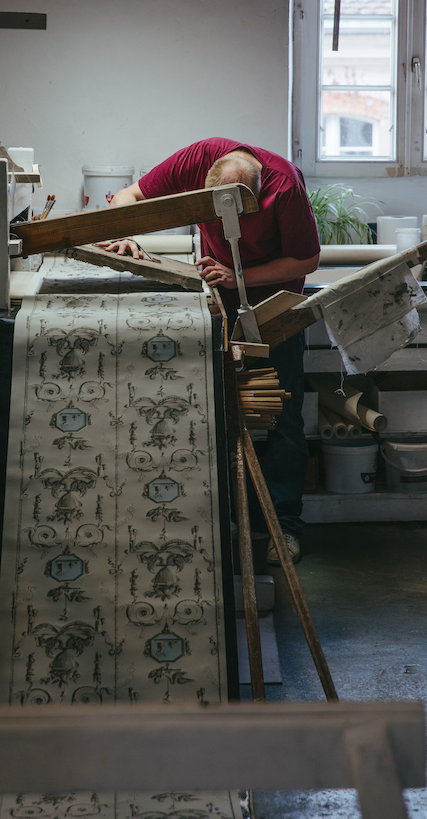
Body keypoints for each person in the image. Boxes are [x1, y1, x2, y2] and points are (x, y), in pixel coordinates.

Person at [102, 138, 320, 565]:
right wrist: (126, 233)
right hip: (223, 298)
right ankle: (216, 525)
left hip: (275, 305)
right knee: (215, 410)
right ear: (205, 185)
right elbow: (130, 196)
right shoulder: (198, 159)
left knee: (281, 414)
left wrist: (239, 274)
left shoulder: (285, 185)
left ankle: (282, 530)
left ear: (256, 194)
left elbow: (306, 260)